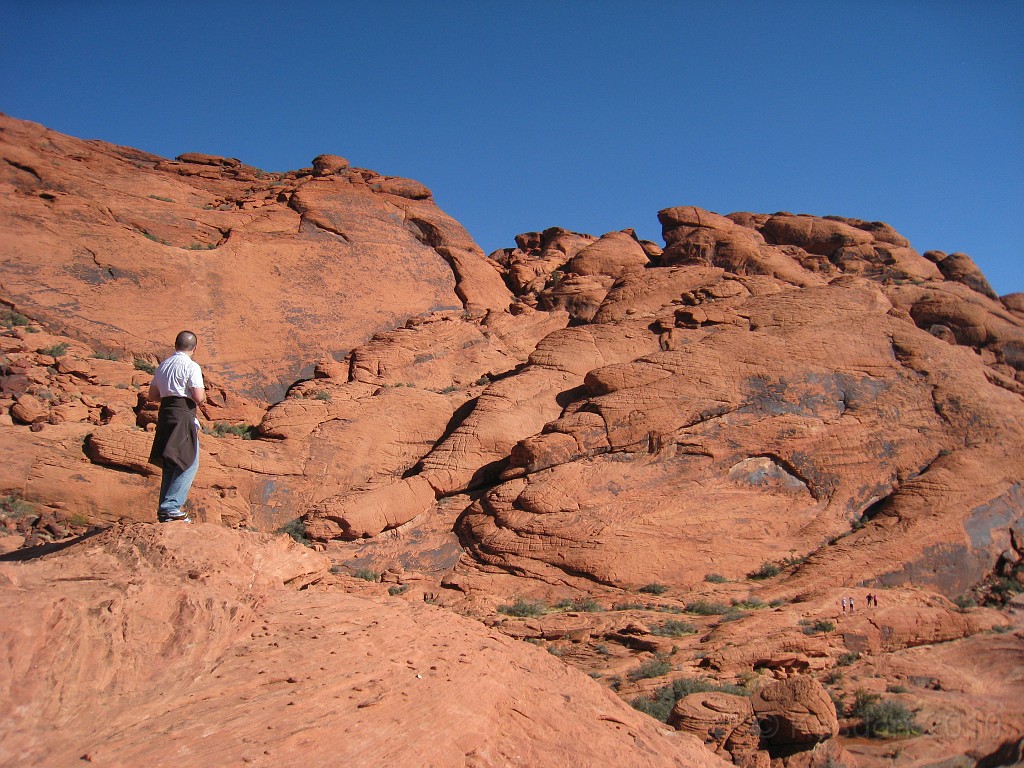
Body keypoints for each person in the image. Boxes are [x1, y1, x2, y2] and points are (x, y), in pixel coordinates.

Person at [147, 331, 211, 522]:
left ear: (175, 345)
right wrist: (202, 398)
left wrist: (169, 396)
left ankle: (166, 510)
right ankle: (171, 507)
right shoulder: (191, 366)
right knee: (189, 462)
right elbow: (199, 397)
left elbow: (153, 395)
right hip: (183, 416)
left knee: (171, 462)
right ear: (195, 348)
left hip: (166, 414)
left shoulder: (163, 366)